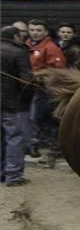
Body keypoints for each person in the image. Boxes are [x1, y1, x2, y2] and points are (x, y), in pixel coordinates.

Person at [25, 19, 66, 157]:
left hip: (44, 89)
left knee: (36, 117)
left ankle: (35, 145)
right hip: (31, 87)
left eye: (38, 30)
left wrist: (36, 76)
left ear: (46, 32)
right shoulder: (28, 45)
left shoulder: (51, 48)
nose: (35, 33)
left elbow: (58, 70)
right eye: (32, 30)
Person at [1, 25, 34, 186]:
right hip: (13, 103)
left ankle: (2, 172)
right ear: (15, 37)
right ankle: (13, 176)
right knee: (14, 137)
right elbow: (26, 80)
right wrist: (27, 99)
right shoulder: (19, 51)